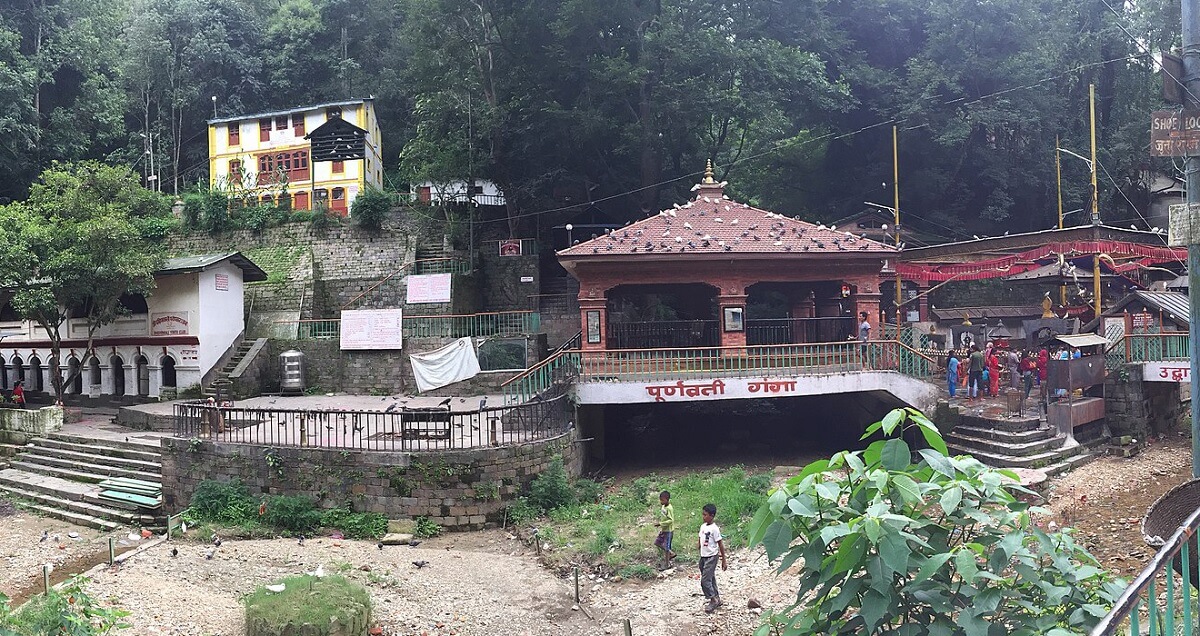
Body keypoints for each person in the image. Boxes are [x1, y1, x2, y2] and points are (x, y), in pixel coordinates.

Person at [698, 503, 727, 614]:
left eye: (705, 515)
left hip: (711, 557)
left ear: (712, 515)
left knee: (705, 580)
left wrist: (723, 559)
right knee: (710, 578)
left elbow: (720, 544)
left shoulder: (715, 529)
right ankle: (717, 598)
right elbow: (700, 536)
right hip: (703, 557)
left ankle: (713, 599)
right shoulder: (703, 526)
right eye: (703, 514)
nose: (703, 517)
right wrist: (699, 545)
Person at [654, 490, 676, 568]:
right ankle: (671, 553)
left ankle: (667, 564)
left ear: (667, 499)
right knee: (657, 542)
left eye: (662, 500)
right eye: (660, 499)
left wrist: (660, 524)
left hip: (669, 531)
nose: (661, 501)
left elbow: (671, 520)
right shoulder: (663, 506)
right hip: (664, 530)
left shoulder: (669, 508)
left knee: (666, 548)